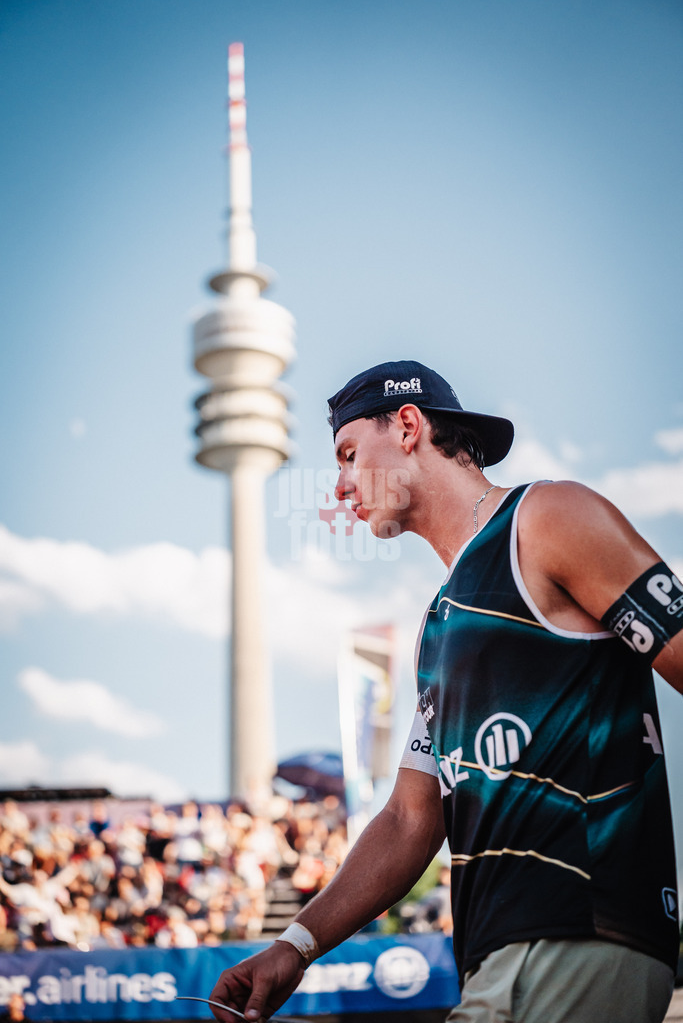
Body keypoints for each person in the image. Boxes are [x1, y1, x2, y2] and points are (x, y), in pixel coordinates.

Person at [210, 360, 682, 1023]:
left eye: (348, 455)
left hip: (572, 930)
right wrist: (295, 944)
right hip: (504, 954)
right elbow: (409, 819)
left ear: (407, 426)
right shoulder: (438, 626)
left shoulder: (544, 517)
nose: (341, 486)